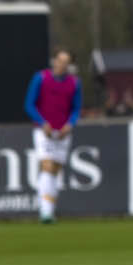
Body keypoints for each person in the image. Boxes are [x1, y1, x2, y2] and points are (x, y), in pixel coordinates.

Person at [24, 50, 82, 223]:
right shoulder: (40, 78)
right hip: (44, 131)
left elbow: (76, 108)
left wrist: (69, 124)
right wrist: (42, 123)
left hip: (63, 132)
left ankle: (48, 209)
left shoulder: (74, 83)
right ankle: (45, 212)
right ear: (54, 61)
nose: (62, 65)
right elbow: (29, 104)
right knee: (47, 166)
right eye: (60, 60)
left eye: (66, 62)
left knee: (55, 172)